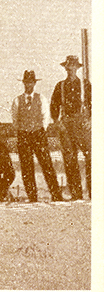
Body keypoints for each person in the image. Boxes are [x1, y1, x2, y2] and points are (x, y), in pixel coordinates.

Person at [11, 70, 63, 202]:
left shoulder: (41, 98)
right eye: (26, 82)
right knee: (26, 167)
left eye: (31, 82)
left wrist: (40, 129)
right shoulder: (17, 100)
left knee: (46, 165)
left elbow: (45, 117)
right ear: (23, 83)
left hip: (38, 134)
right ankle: (32, 197)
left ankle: (56, 195)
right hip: (24, 135)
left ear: (34, 83)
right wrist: (23, 130)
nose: (29, 85)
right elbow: (15, 119)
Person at [50, 55, 91, 200]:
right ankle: (76, 194)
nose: (70, 69)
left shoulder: (85, 84)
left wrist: (90, 120)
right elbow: (54, 106)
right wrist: (57, 122)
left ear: (77, 68)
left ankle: (93, 193)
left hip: (82, 124)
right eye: (68, 66)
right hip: (66, 124)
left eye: (73, 66)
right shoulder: (60, 86)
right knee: (70, 159)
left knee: (90, 157)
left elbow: (94, 103)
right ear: (65, 68)